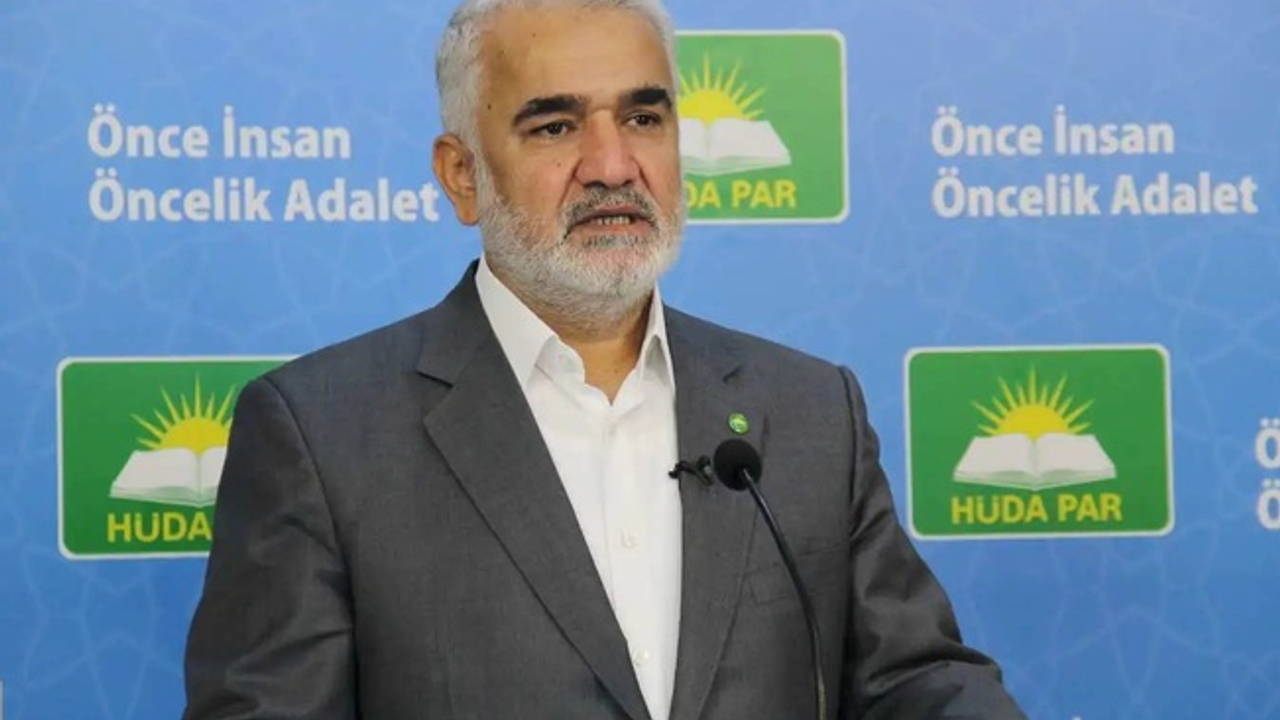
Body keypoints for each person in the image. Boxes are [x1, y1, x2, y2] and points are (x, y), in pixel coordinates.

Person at [181, 0, 1032, 718]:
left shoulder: (810, 411)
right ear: (462, 175)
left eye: (643, 118)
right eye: (555, 126)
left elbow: (913, 681)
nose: (613, 166)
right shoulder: (322, 437)